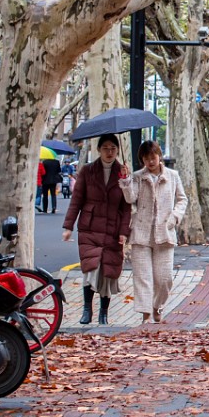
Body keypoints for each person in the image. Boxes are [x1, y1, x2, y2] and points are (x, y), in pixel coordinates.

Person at [61, 134, 132, 325]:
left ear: (118, 150)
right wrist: (68, 226)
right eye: (105, 148)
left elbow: (126, 207)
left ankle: (104, 313)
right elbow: (76, 200)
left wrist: (124, 232)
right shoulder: (88, 171)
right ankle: (87, 309)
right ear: (99, 150)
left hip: (112, 229)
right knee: (91, 269)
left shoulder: (123, 173)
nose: (109, 152)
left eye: (113, 148)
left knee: (108, 272)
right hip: (90, 228)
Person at [120, 140, 189, 323]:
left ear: (159, 156)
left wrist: (174, 217)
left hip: (165, 232)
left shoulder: (172, 176)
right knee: (142, 277)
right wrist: (126, 180)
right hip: (141, 233)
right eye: (146, 158)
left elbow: (182, 199)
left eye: (153, 157)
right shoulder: (137, 177)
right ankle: (145, 313)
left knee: (164, 278)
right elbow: (130, 198)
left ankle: (157, 306)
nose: (150, 161)